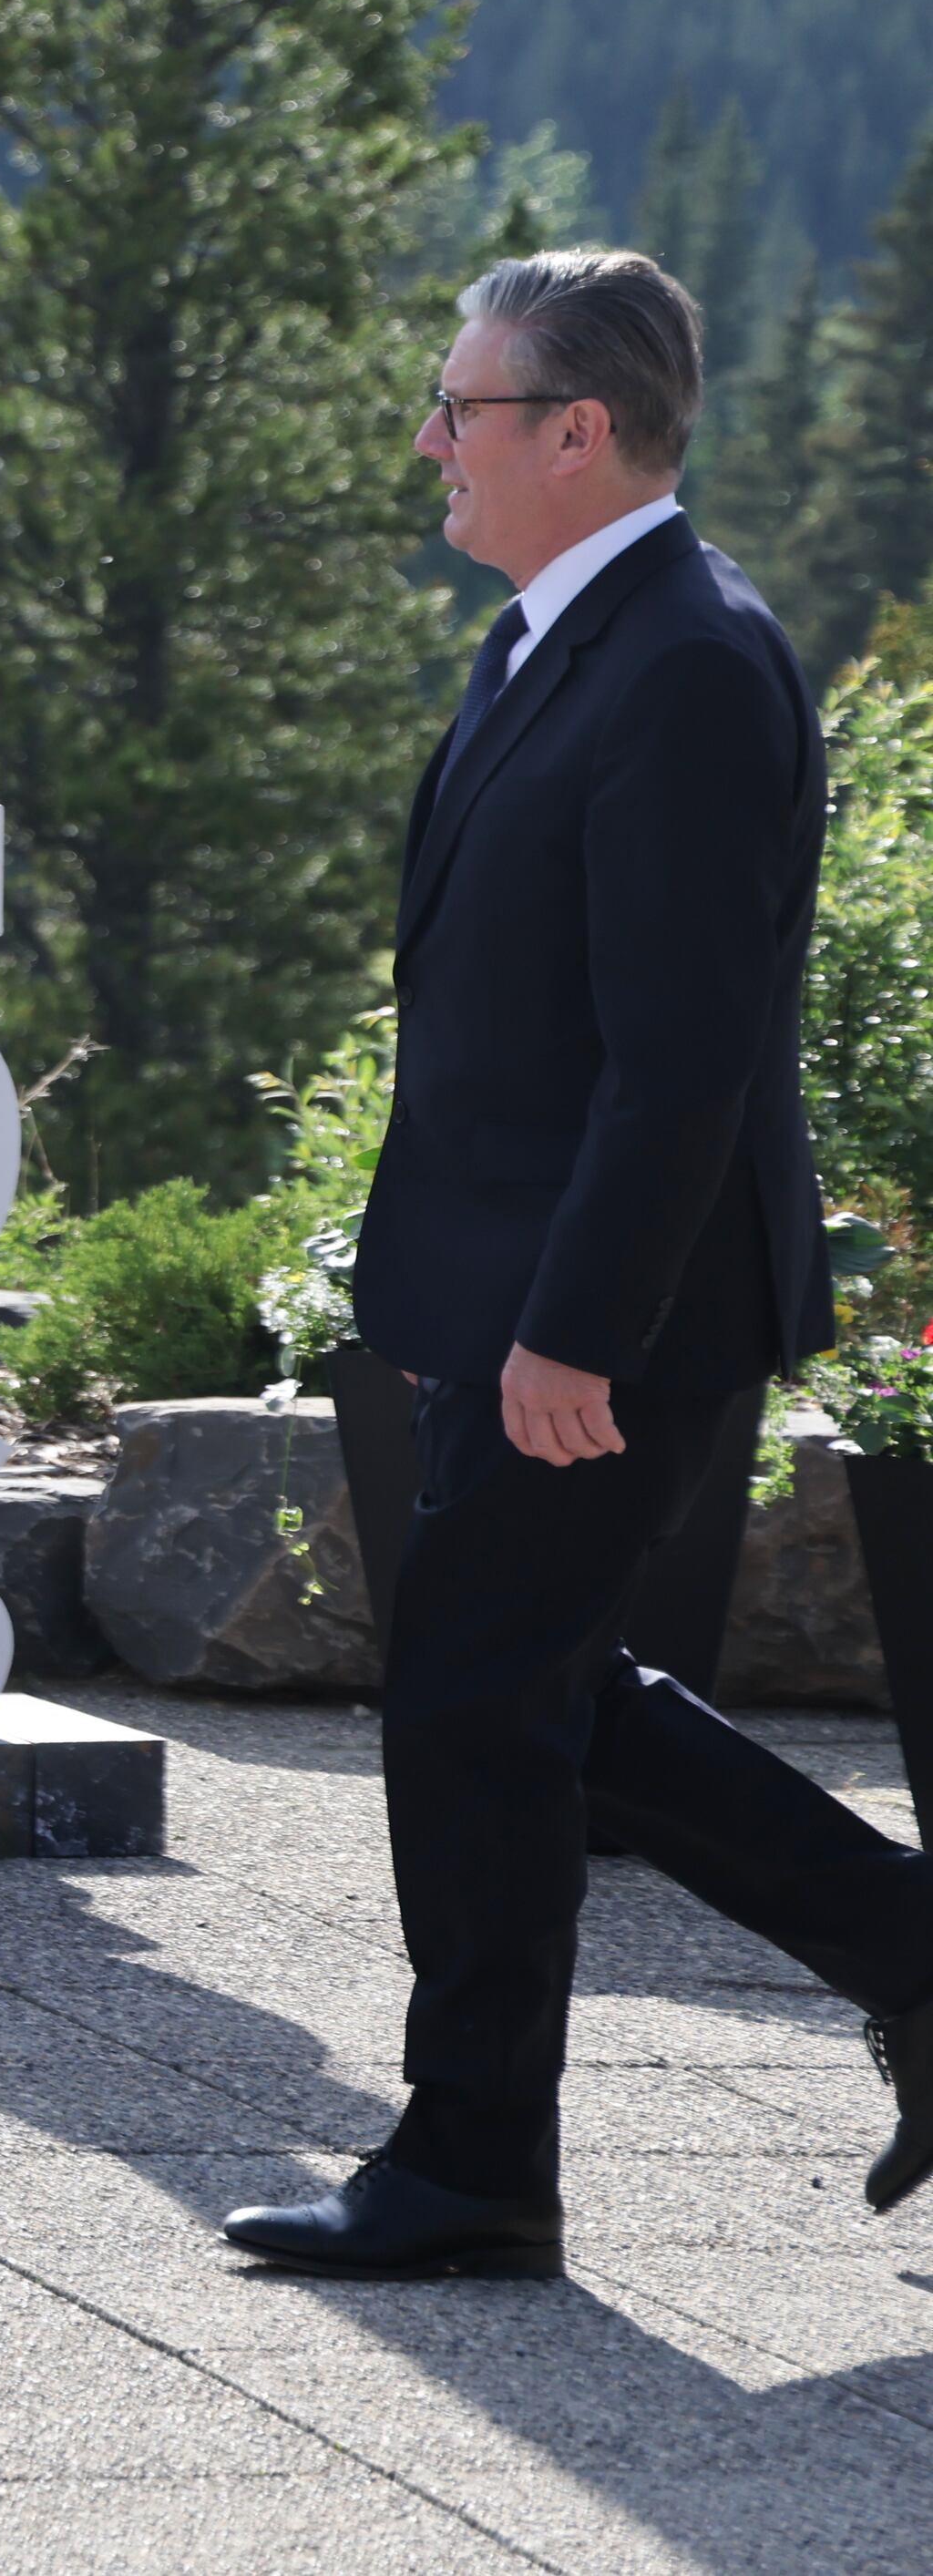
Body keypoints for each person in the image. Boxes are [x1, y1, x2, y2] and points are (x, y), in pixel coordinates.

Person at [226, 250, 933, 2282]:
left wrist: (566, 1333)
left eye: (461, 406)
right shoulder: (558, 637)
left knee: (470, 1696)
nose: (430, 441)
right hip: (514, 1289)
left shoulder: (690, 663)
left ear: (580, 432)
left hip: (609, 1312)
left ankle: (468, 2167)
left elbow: (679, 1059)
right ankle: (902, 1957)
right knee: (522, 1685)